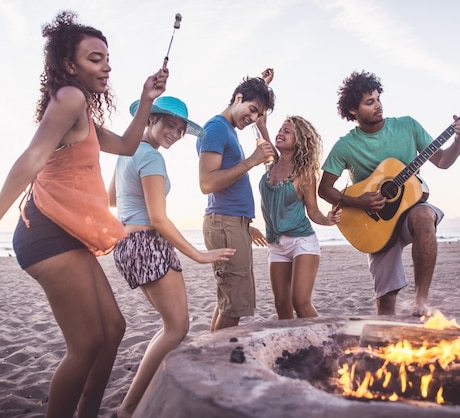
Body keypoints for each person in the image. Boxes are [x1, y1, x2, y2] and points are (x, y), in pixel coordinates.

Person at [0, 11, 168, 418]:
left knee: (113, 330)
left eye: (107, 58)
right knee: (87, 342)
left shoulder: (83, 114)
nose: (106, 66)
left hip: (67, 233)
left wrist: (147, 100)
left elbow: (129, 145)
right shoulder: (70, 97)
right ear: (68, 65)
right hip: (45, 232)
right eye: (95, 58)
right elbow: (34, 156)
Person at [107, 96, 236, 417]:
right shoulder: (151, 158)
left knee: (171, 327)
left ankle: (137, 401)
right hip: (148, 245)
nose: (175, 134)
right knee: (177, 328)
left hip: (127, 246)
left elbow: (111, 198)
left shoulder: (128, 151)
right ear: (151, 120)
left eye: (180, 130)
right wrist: (199, 255)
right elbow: (159, 218)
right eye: (170, 125)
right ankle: (129, 408)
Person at [318, 70, 460, 317]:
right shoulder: (345, 146)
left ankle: (420, 301)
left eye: (378, 98)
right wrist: (358, 201)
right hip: (373, 222)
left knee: (424, 215)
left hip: (410, 209)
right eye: (369, 102)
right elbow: (324, 189)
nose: (378, 106)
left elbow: (442, 161)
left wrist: (458, 141)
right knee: (386, 304)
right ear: (353, 111)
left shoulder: (407, 126)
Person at [197, 68, 276, 331]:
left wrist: (244, 225)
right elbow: (207, 183)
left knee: (228, 299)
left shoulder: (227, 129)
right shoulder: (216, 129)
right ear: (237, 98)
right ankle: (217, 363)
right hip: (225, 223)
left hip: (233, 223)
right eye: (251, 109)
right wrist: (252, 161)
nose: (252, 118)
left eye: (257, 114)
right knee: (235, 304)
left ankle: (211, 355)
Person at [258, 115, 341, 319]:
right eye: (280, 130)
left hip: (301, 242)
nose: (280, 133)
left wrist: (328, 220)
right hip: (276, 244)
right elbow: (261, 127)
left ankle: (323, 341)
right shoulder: (270, 163)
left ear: (299, 140)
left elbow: (312, 211)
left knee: (301, 302)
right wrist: (263, 90)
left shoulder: (304, 174)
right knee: (281, 306)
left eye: (287, 131)